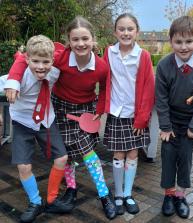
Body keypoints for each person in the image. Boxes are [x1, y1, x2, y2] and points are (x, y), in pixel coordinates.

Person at [5, 16, 117, 220]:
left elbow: (106, 86)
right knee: (66, 154)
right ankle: (71, 190)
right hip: (59, 107)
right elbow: (24, 58)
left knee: (88, 153)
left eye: (85, 39)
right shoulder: (60, 56)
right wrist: (13, 81)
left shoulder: (101, 66)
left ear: (93, 40)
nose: (81, 44)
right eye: (75, 39)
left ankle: (104, 196)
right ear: (69, 41)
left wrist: (100, 109)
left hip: (85, 110)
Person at [3, 35, 72, 223]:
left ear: (52, 61)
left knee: (62, 157)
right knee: (23, 165)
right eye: (35, 61)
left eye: (45, 62)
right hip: (23, 122)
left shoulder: (54, 72)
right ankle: (35, 201)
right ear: (27, 60)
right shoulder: (16, 77)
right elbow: (8, 81)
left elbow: (66, 55)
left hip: (46, 120)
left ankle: (51, 199)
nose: (41, 67)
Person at [155, 16, 193, 219]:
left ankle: (180, 196)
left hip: (189, 123)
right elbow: (161, 99)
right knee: (169, 158)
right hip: (169, 122)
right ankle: (168, 195)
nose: (183, 47)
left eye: (189, 41)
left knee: (185, 160)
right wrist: (164, 126)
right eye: (178, 42)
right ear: (171, 41)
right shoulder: (164, 65)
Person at [103, 13, 155, 215]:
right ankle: (117, 194)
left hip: (136, 115)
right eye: (121, 29)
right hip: (117, 112)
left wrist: (142, 118)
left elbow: (149, 89)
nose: (125, 33)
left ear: (137, 32)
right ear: (115, 31)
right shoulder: (108, 52)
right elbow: (102, 79)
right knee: (118, 154)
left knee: (133, 154)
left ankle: (127, 193)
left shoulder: (143, 55)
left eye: (130, 29)